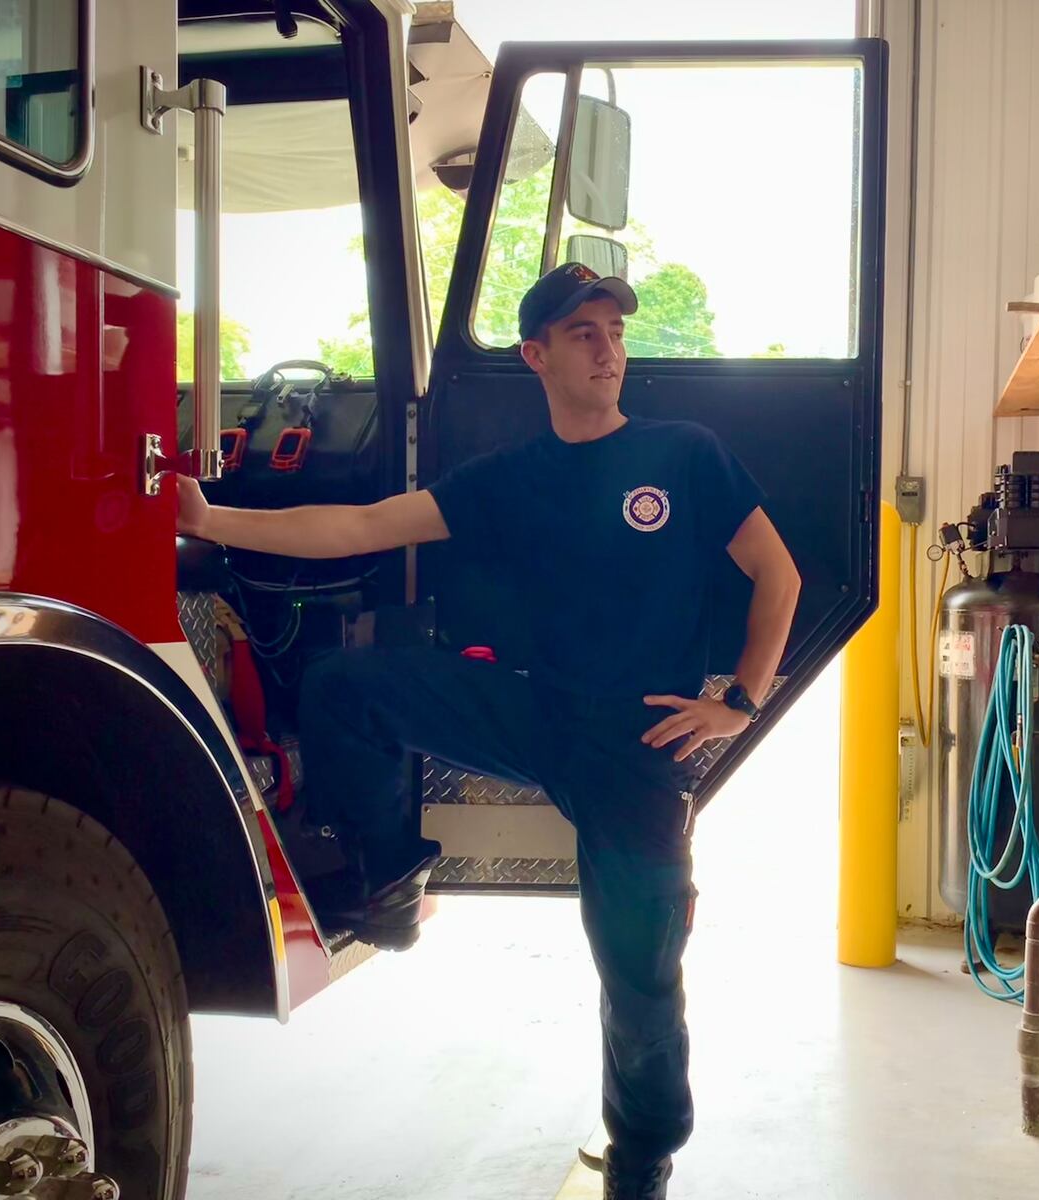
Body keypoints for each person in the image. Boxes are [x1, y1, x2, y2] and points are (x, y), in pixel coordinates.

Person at [177, 262, 802, 1200]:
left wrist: (739, 702)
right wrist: (211, 518)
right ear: (537, 354)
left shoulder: (684, 456)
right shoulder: (510, 478)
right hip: (532, 707)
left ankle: (642, 1160)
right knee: (347, 686)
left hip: (637, 744)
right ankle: (390, 877)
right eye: (585, 332)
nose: (607, 348)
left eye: (615, 332)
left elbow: (777, 575)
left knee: (639, 973)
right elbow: (360, 527)